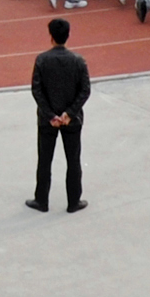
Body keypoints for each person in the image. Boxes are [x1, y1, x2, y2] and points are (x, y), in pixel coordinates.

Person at [27, 17, 90, 213]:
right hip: (72, 120)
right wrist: (69, 113)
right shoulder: (78, 61)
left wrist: (50, 115)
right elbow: (85, 90)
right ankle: (73, 201)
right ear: (67, 36)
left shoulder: (42, 60)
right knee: (73, 160)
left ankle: (41, 200)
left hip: (48, 121)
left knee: (44, 159)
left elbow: (37, 90)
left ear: (51, 37)